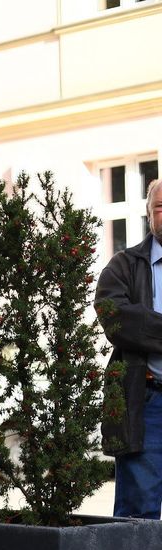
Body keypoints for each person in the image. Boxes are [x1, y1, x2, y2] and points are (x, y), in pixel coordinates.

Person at [96, 178, 162, 518]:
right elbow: (116, 317)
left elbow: (139, 323)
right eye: (160, 208)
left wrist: (149, 326)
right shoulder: (123, 265)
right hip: (146, 401)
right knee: (138, 514)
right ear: (148, 215)